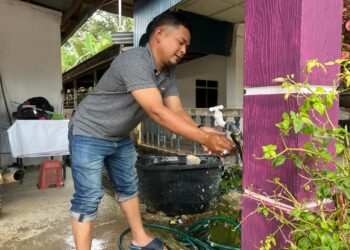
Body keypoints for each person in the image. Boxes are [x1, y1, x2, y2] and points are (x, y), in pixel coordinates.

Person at [68, 11, 235, 250]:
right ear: (159, 34)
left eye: (187, 45)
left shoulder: (167, 73)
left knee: (129, 187)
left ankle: (140, 238)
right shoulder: (135, 60)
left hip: (118, 136)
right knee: (88, 198)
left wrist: (200, 129)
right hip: (88, 132)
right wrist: (204, 137)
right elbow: (156, 111)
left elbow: (175, 110)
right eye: (181, 42)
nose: (184, 50)